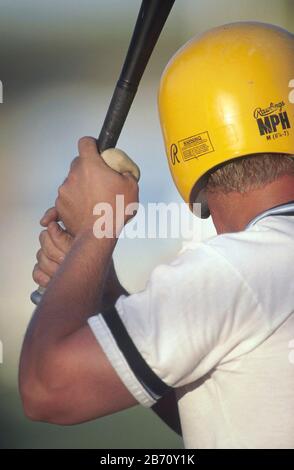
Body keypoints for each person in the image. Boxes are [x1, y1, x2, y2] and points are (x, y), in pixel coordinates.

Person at [19, 22, 294, 448]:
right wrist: (105, 291)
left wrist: (98, 225)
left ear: (188, 149)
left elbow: (45, 390)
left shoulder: (238, 269)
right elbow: (226, 406)